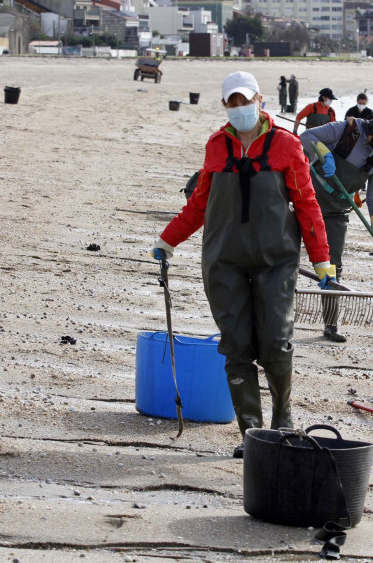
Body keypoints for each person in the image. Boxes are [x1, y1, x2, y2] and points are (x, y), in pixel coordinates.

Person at [150, 71, 336, 459]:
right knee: (236, 345)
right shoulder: (216, 146)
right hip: (224, 261)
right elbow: (199, 204)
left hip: (276, 261)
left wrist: (323, 262)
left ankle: (282, 419)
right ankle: (251, 432)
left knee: (275, 341)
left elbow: (306, 204)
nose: (240, 108)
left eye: (245, 100)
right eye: (232, 103)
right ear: (225, 106)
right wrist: (167, 240)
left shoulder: (286, 145)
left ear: (260, 100)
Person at [300, 111, 373, 342]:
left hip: (337, 211)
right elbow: (305, 136)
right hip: (306, 198)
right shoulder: (346, 130)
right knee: (281, 254)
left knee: (331, 268)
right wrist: (325, 153)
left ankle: (330, 324)